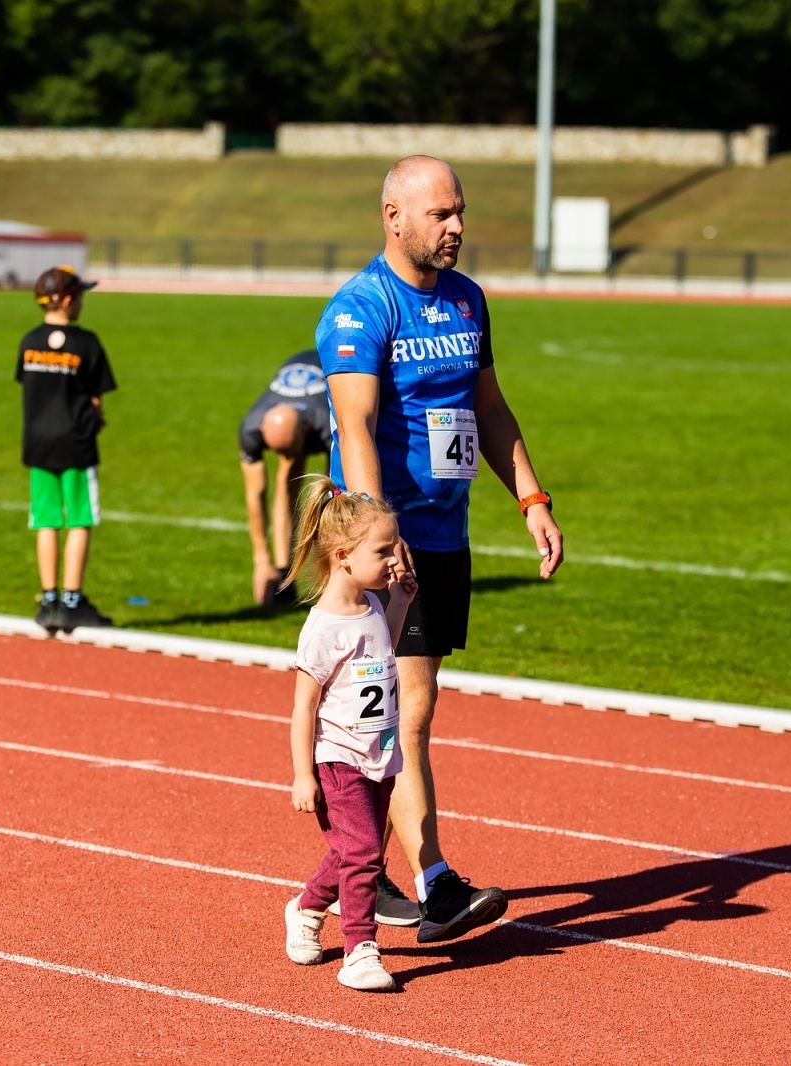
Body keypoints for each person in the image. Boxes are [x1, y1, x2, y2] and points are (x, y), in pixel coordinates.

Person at [313, 156, 565, 943]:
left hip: (445, 538)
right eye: (440, 215)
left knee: (387, 718)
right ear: (394, 217)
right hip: (383, 543)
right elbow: (354, 428)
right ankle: (435, 884)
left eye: (460, 213)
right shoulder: (360, 310)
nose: (456, 228)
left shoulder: (467, 301)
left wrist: (530, 497)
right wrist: (380, 542)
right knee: (404, 712)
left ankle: (349, 876)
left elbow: (487, 407)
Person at [282, 477, 417, 992]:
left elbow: (385, 649)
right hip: (339, 759)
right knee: (365, 854)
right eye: (383, 551)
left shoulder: (373, 607)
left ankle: (306, 907)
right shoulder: (322, 629)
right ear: (342, 556)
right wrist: (302, 775)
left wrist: (401, 601)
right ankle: (360, 948)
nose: (393, 559)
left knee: (350, 850)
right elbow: (302, 706)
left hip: (379, 754)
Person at [16, 264, 118, 634]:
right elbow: (94, 400)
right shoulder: (85, 343)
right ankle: (72, 598)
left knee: (44, 519)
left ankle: (48, 599)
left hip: (38, 443)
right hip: (75, 443)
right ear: (69, 300)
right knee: (79, 518)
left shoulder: (29, 341)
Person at [238, 351, 331, 604]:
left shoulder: (328, 423)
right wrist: (261, 561)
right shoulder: (250, 428)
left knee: (333, 497)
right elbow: (254, 494)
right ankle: (283, 573)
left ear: (306, 431)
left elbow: (340, 493)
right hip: (300, 412)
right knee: (287, 479)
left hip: (328, 405)